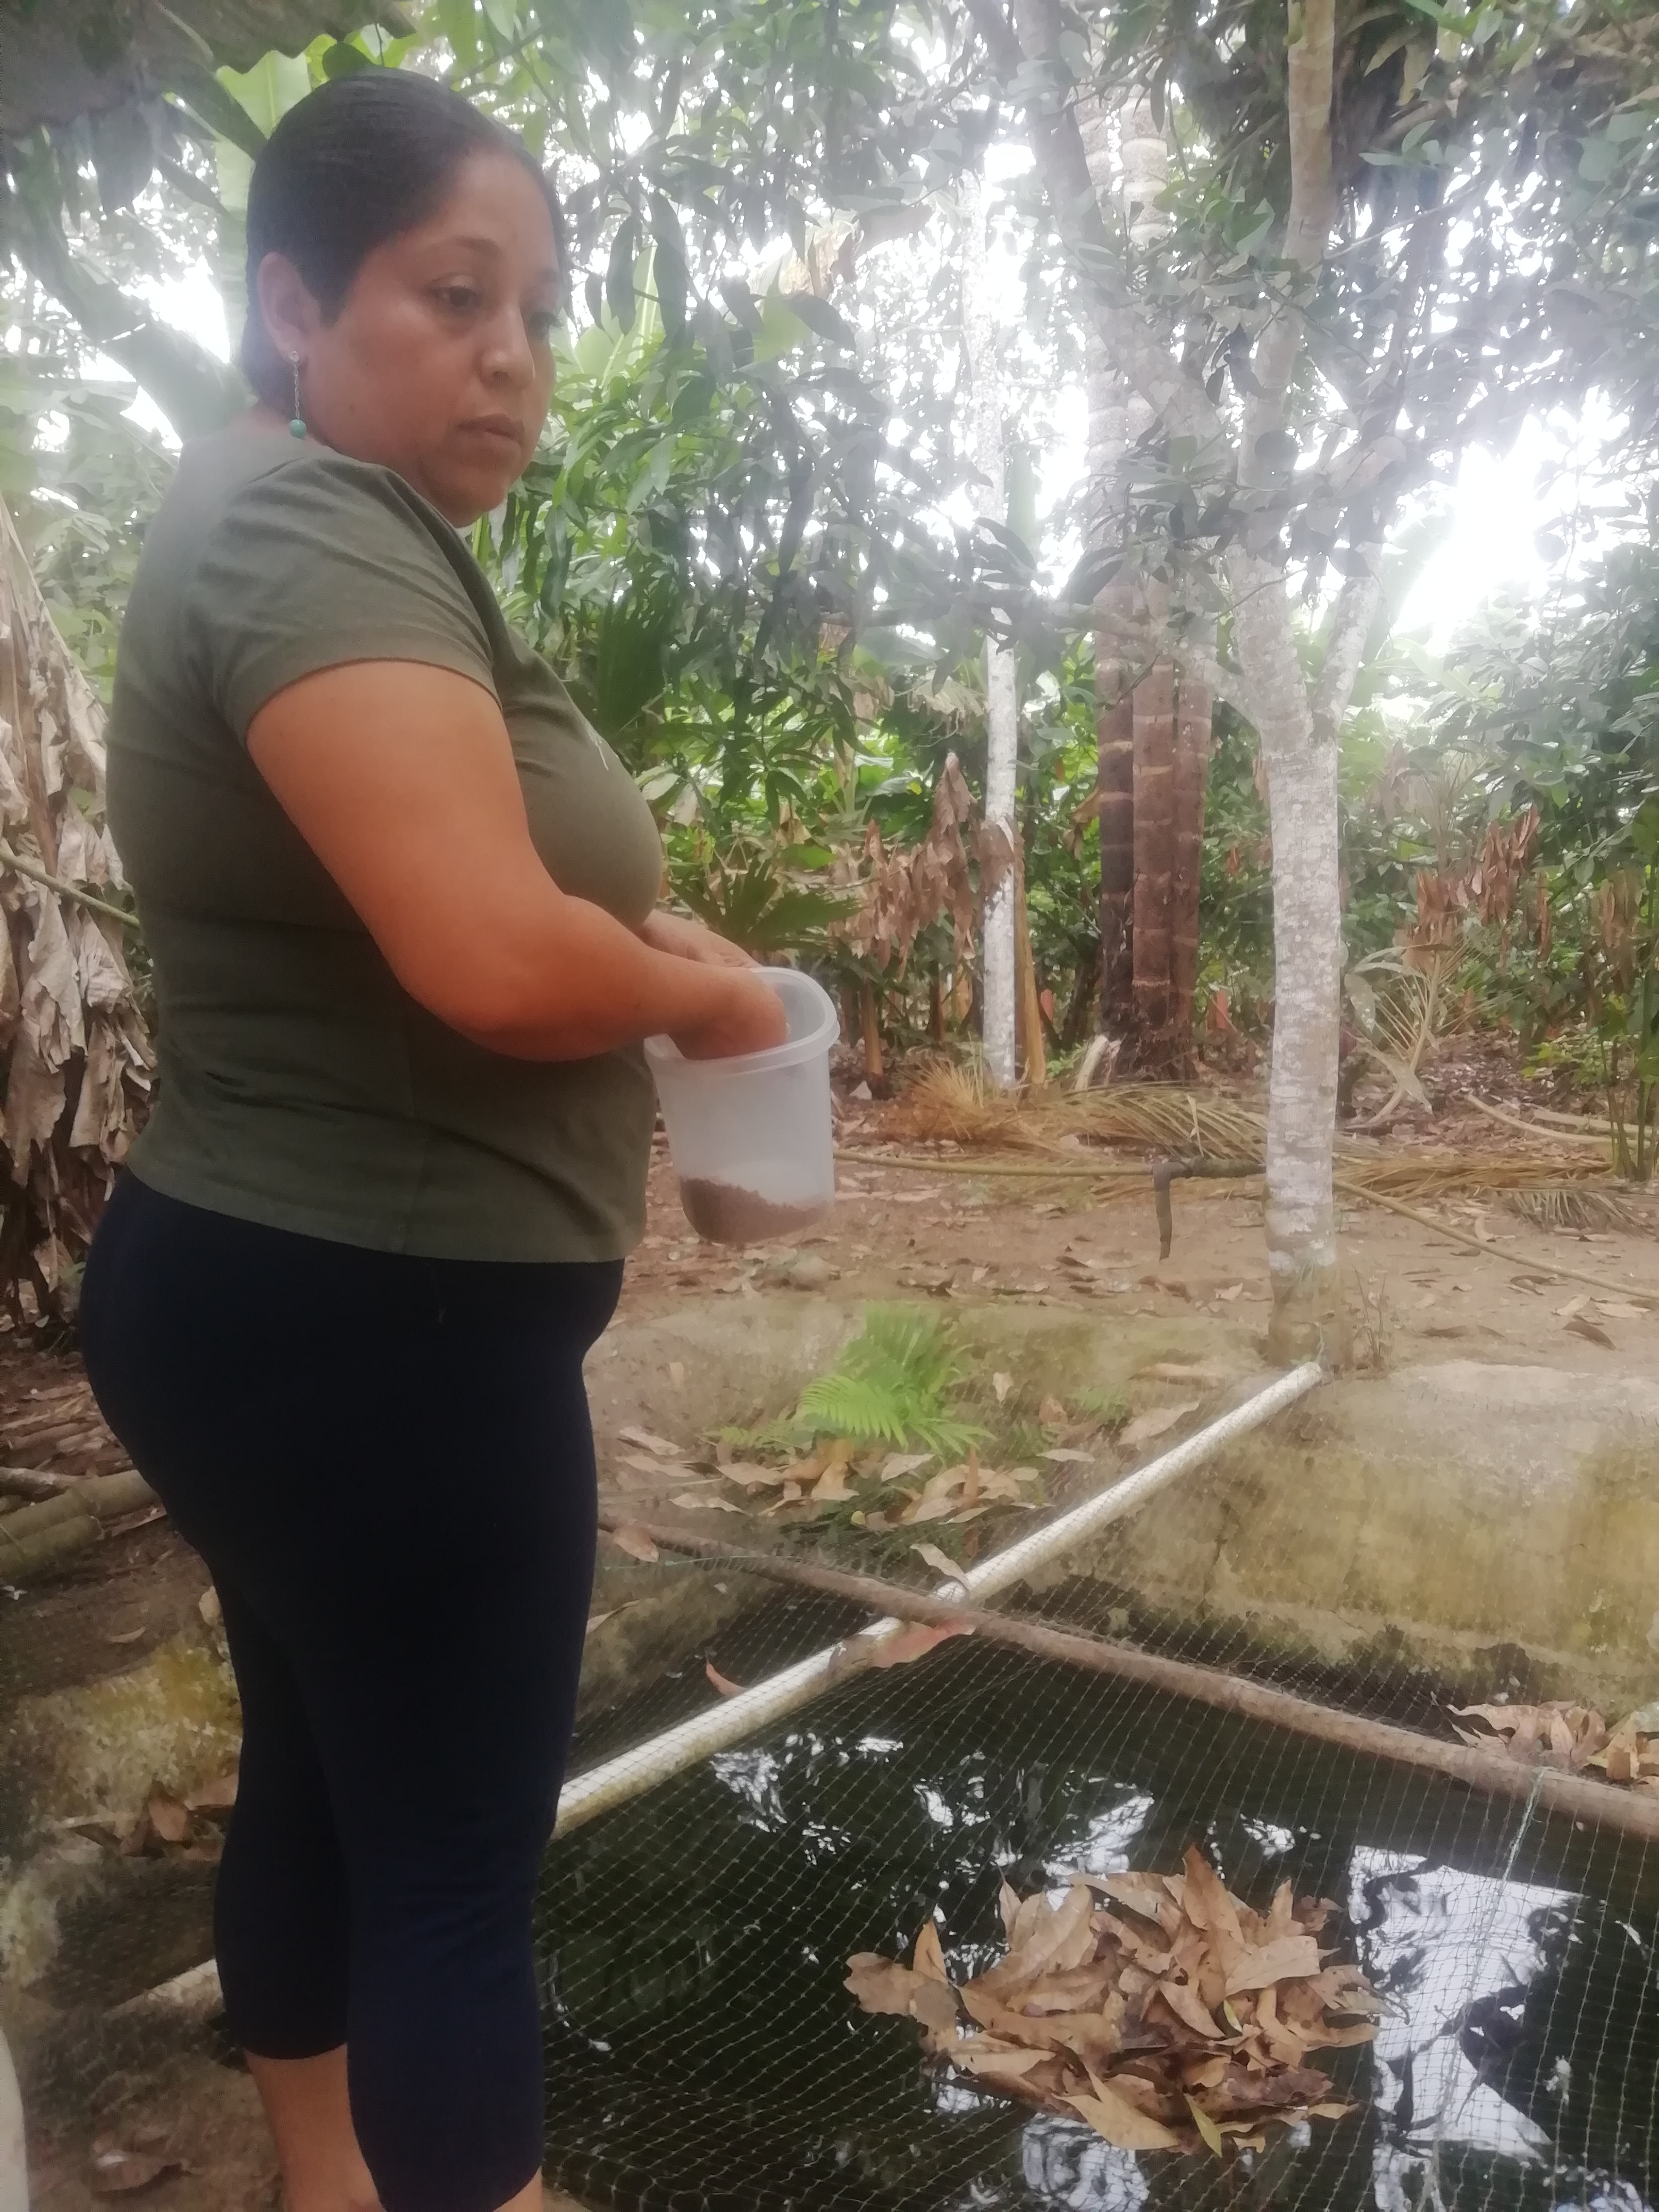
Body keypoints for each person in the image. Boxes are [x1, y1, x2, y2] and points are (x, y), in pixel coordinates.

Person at [79, 69, 785, 2212]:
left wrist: (646, 954)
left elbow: (460, 891)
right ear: (295, 303)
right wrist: (718, 1004)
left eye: (538, 309)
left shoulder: (297, 513)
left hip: (282, 1300)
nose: (513, 355)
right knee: (456, 1868)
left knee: (326, 1769)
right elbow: (483, 950)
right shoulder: (308, 527)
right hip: (386, 1327)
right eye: (452, 294)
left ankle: (330, 2182)